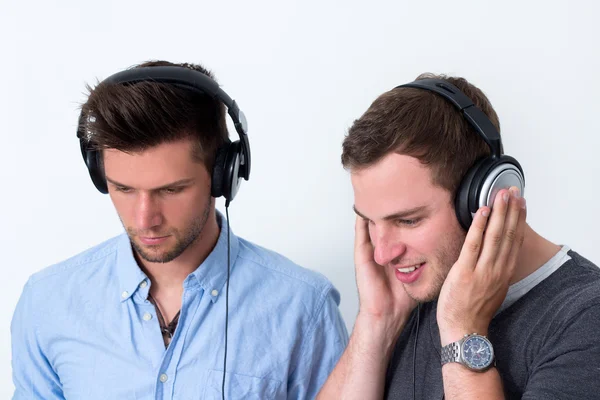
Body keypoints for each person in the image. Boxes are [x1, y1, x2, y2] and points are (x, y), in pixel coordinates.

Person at [11, 60, 348, 400]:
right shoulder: (48, 302)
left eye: (170, 190)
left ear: (223, 176)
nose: (145, 219)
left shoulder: (303, 307)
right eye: (124, 189)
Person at [317, 74, 600, 399]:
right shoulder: (414, 293)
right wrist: (378, 320)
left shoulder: (585, 321)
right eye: (370, 221)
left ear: (486, 197)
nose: (382, 254)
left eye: (407, 220)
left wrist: (463, 332)